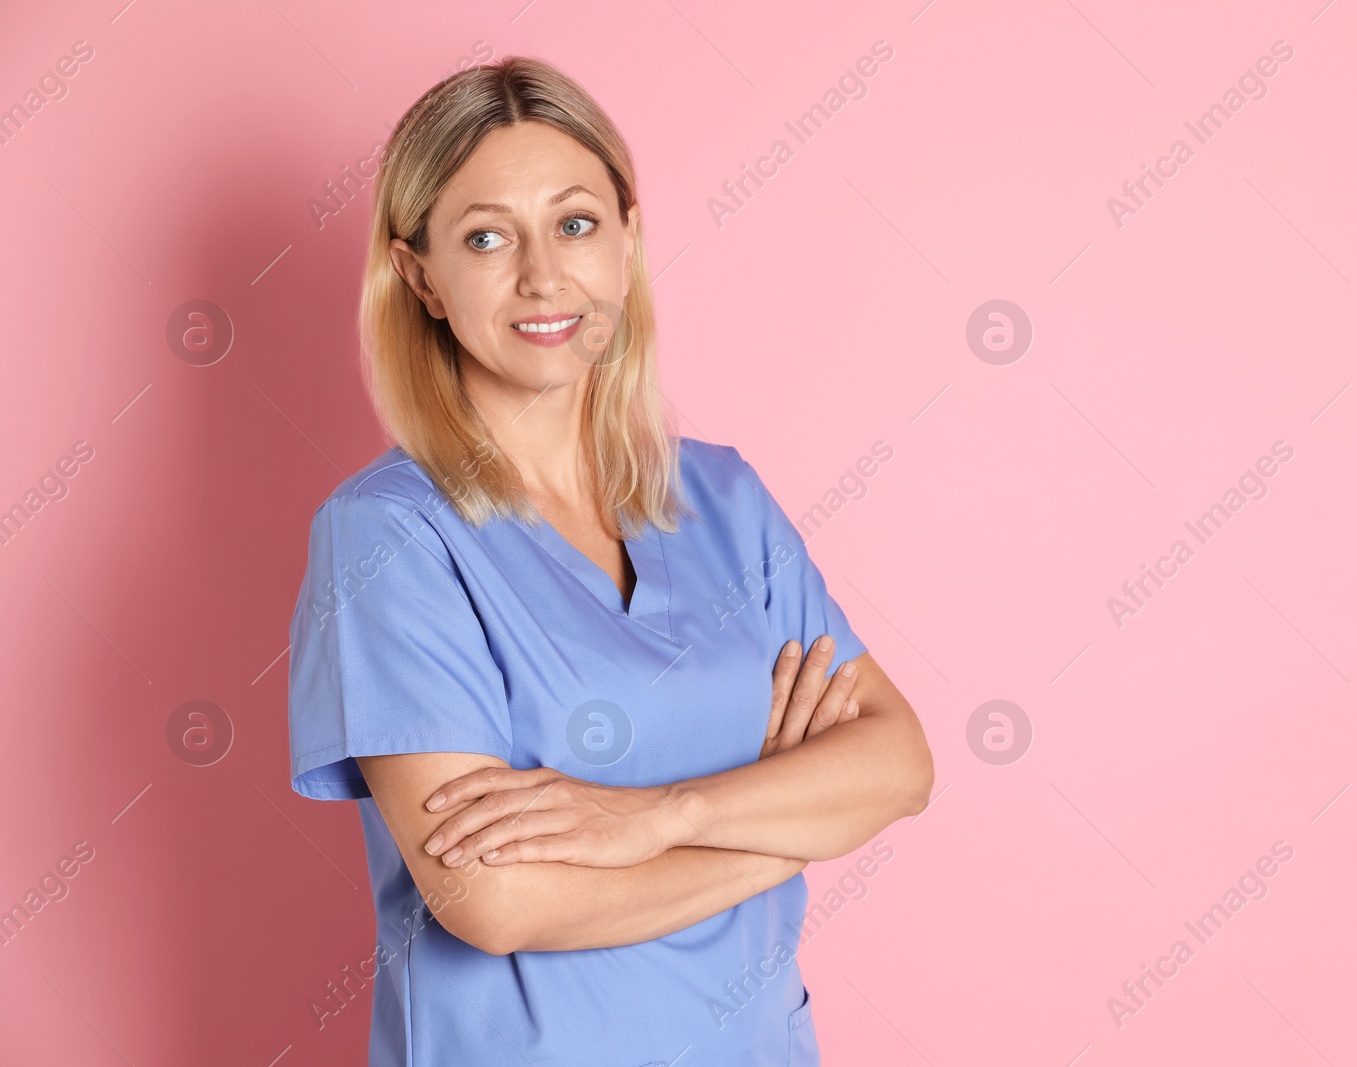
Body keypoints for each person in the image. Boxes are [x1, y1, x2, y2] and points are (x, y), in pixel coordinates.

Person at [285, 55, 934, 1067]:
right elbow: (491, 899)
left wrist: (653, 817)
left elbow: (897, 764)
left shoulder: (720, 499)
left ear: (626, 236)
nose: (544, 275)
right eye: (487, 236)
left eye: (576, 223)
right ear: (419, 274)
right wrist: (792, 824)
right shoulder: (389, 537)